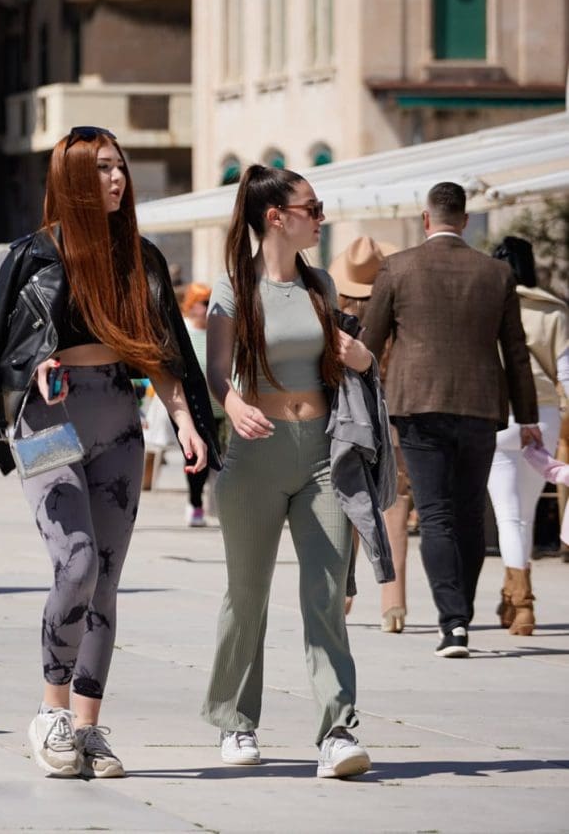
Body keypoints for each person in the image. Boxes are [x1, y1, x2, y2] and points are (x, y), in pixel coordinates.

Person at [0, 126, 219, 779]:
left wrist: (186, 420)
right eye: (103, 168)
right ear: (73, 179)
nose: (117, 179)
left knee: (105, 577)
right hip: (46, 418)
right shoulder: (32, 257)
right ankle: (50, 710)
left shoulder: (141, 259)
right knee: (76, 562)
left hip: (116, 411)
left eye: (120, 167)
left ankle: (86, 727)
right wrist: (34, 366)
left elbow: (162, 353)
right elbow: (1, 354)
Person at [202, 164, 375, 779]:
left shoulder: (320, 284)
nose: (321, 217)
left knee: (326, 595)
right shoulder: (233, 287)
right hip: (256, 455)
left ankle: (337, 730)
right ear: (276, 218)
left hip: (323, 456)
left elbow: (347, 361)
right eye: (313, 208)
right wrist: (232, 404)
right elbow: (216, 370)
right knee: (247, 596)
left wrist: (363, 356)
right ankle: (235, 721)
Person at [362, 183, 540, 658]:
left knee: (436, 514)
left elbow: (370, 343)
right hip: (481, 406)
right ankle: (461, 613)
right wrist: (527, 416)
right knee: (469, 514)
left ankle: (453, 625)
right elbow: (516, 352)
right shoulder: (497, 273)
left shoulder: (398, 267)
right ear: (465, 220)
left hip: (416, 405)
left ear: (426, 220)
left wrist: (357, 401)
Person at [328, 236, 414, 632]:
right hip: (392, 415)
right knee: (394, 503)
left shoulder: (333, 319)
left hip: (350, 420)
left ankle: (344, 593)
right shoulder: (397, 312)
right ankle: (393, 604)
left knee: (349, 499)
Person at [484, 236, 567, 635]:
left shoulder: (487, 304)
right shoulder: (554, 311)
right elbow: (565, 372)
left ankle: (521, 604)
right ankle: (512, 597)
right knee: (525, 514)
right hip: (544, 413)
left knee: (508, 514)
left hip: (497, 413)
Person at [179, 282, 223, 527]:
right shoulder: (183, 330)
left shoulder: (218, 332)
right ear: (192, 305)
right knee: (196, 457)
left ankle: (217, 506)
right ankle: (195, 503)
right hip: (193, 407)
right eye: (204, 302)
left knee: (220, 460)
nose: (208, 308)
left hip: (220, 407)